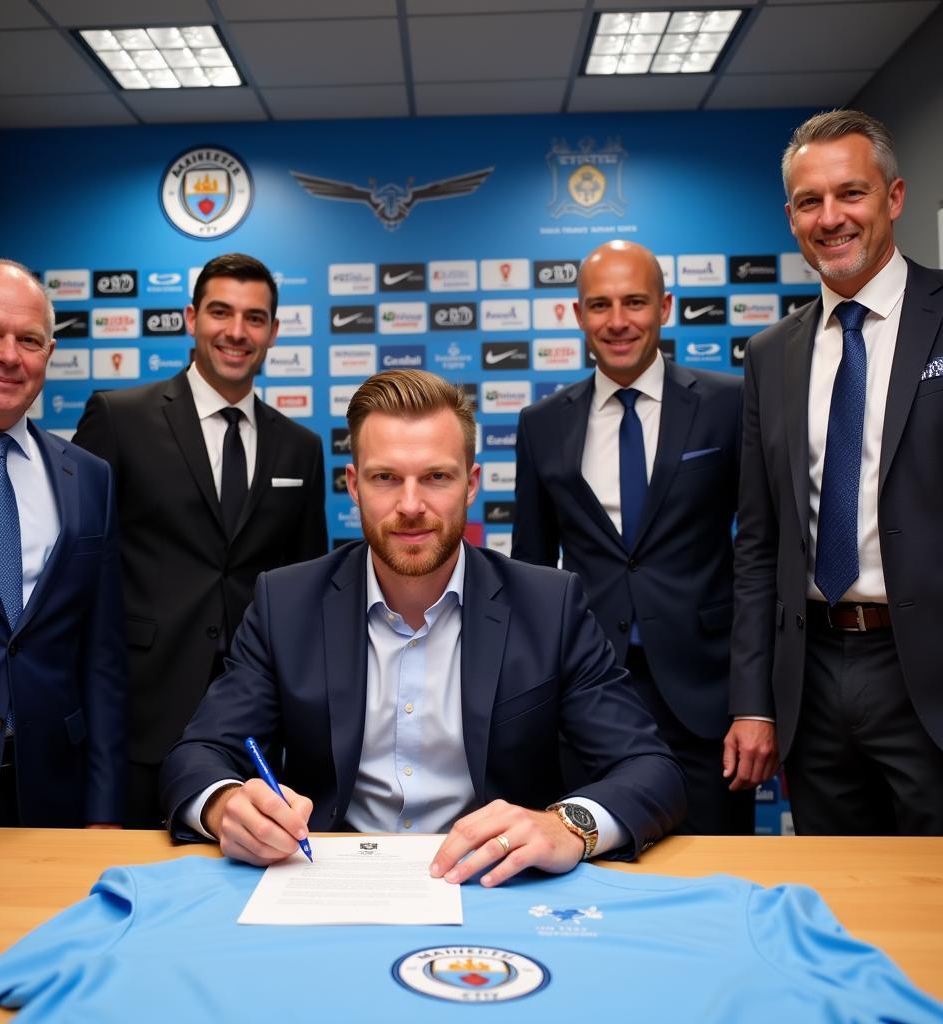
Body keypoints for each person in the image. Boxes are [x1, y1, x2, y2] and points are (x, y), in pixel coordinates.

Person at [161, 369, 685, 883]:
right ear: (354, 486)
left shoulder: (549, 606)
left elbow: (650, 770)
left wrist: (567, 826)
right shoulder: (287, 603)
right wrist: (226, 806)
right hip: (325, 883)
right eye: (386, 477)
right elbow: (198, 754)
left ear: (471, 484)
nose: (411, 506)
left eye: (436, 477)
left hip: (496, 885)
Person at [728, 109, 943, 834]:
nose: (831, 218)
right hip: (812, 675)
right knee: (840, 897)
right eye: (809, 202)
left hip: (928, 674)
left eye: (850, 193)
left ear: (895, 197)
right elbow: (759, 545)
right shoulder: (771, 355)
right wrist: (753, 699)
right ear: (790, 217)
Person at [74, 253, 327, 828]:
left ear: (274, 331)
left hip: (260, 726)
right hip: (141, 718)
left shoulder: (300, 447)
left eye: (255, 318)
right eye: (220, 312)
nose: (237, 332)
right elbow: (82, 573)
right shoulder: (119, 417)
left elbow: (309, 587)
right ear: (191, 318)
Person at [512, 241, 751, 835]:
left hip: (708, 697)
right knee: (590, 873)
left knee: (717, 873)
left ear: (665, 306)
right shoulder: (542, 424)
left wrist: (756, 702)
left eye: (635, 302)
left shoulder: (728, 405)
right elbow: (531, 572)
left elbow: (760, 554)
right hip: (588, 694)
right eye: (600, 305)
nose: (617, 322)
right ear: (577, 315)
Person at [0, 259, 125, 827]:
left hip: (53, 791)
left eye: (29, 340)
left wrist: (105, 810)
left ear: (48, 354)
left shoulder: (88, 477)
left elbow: (102, 662)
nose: (8, 355)